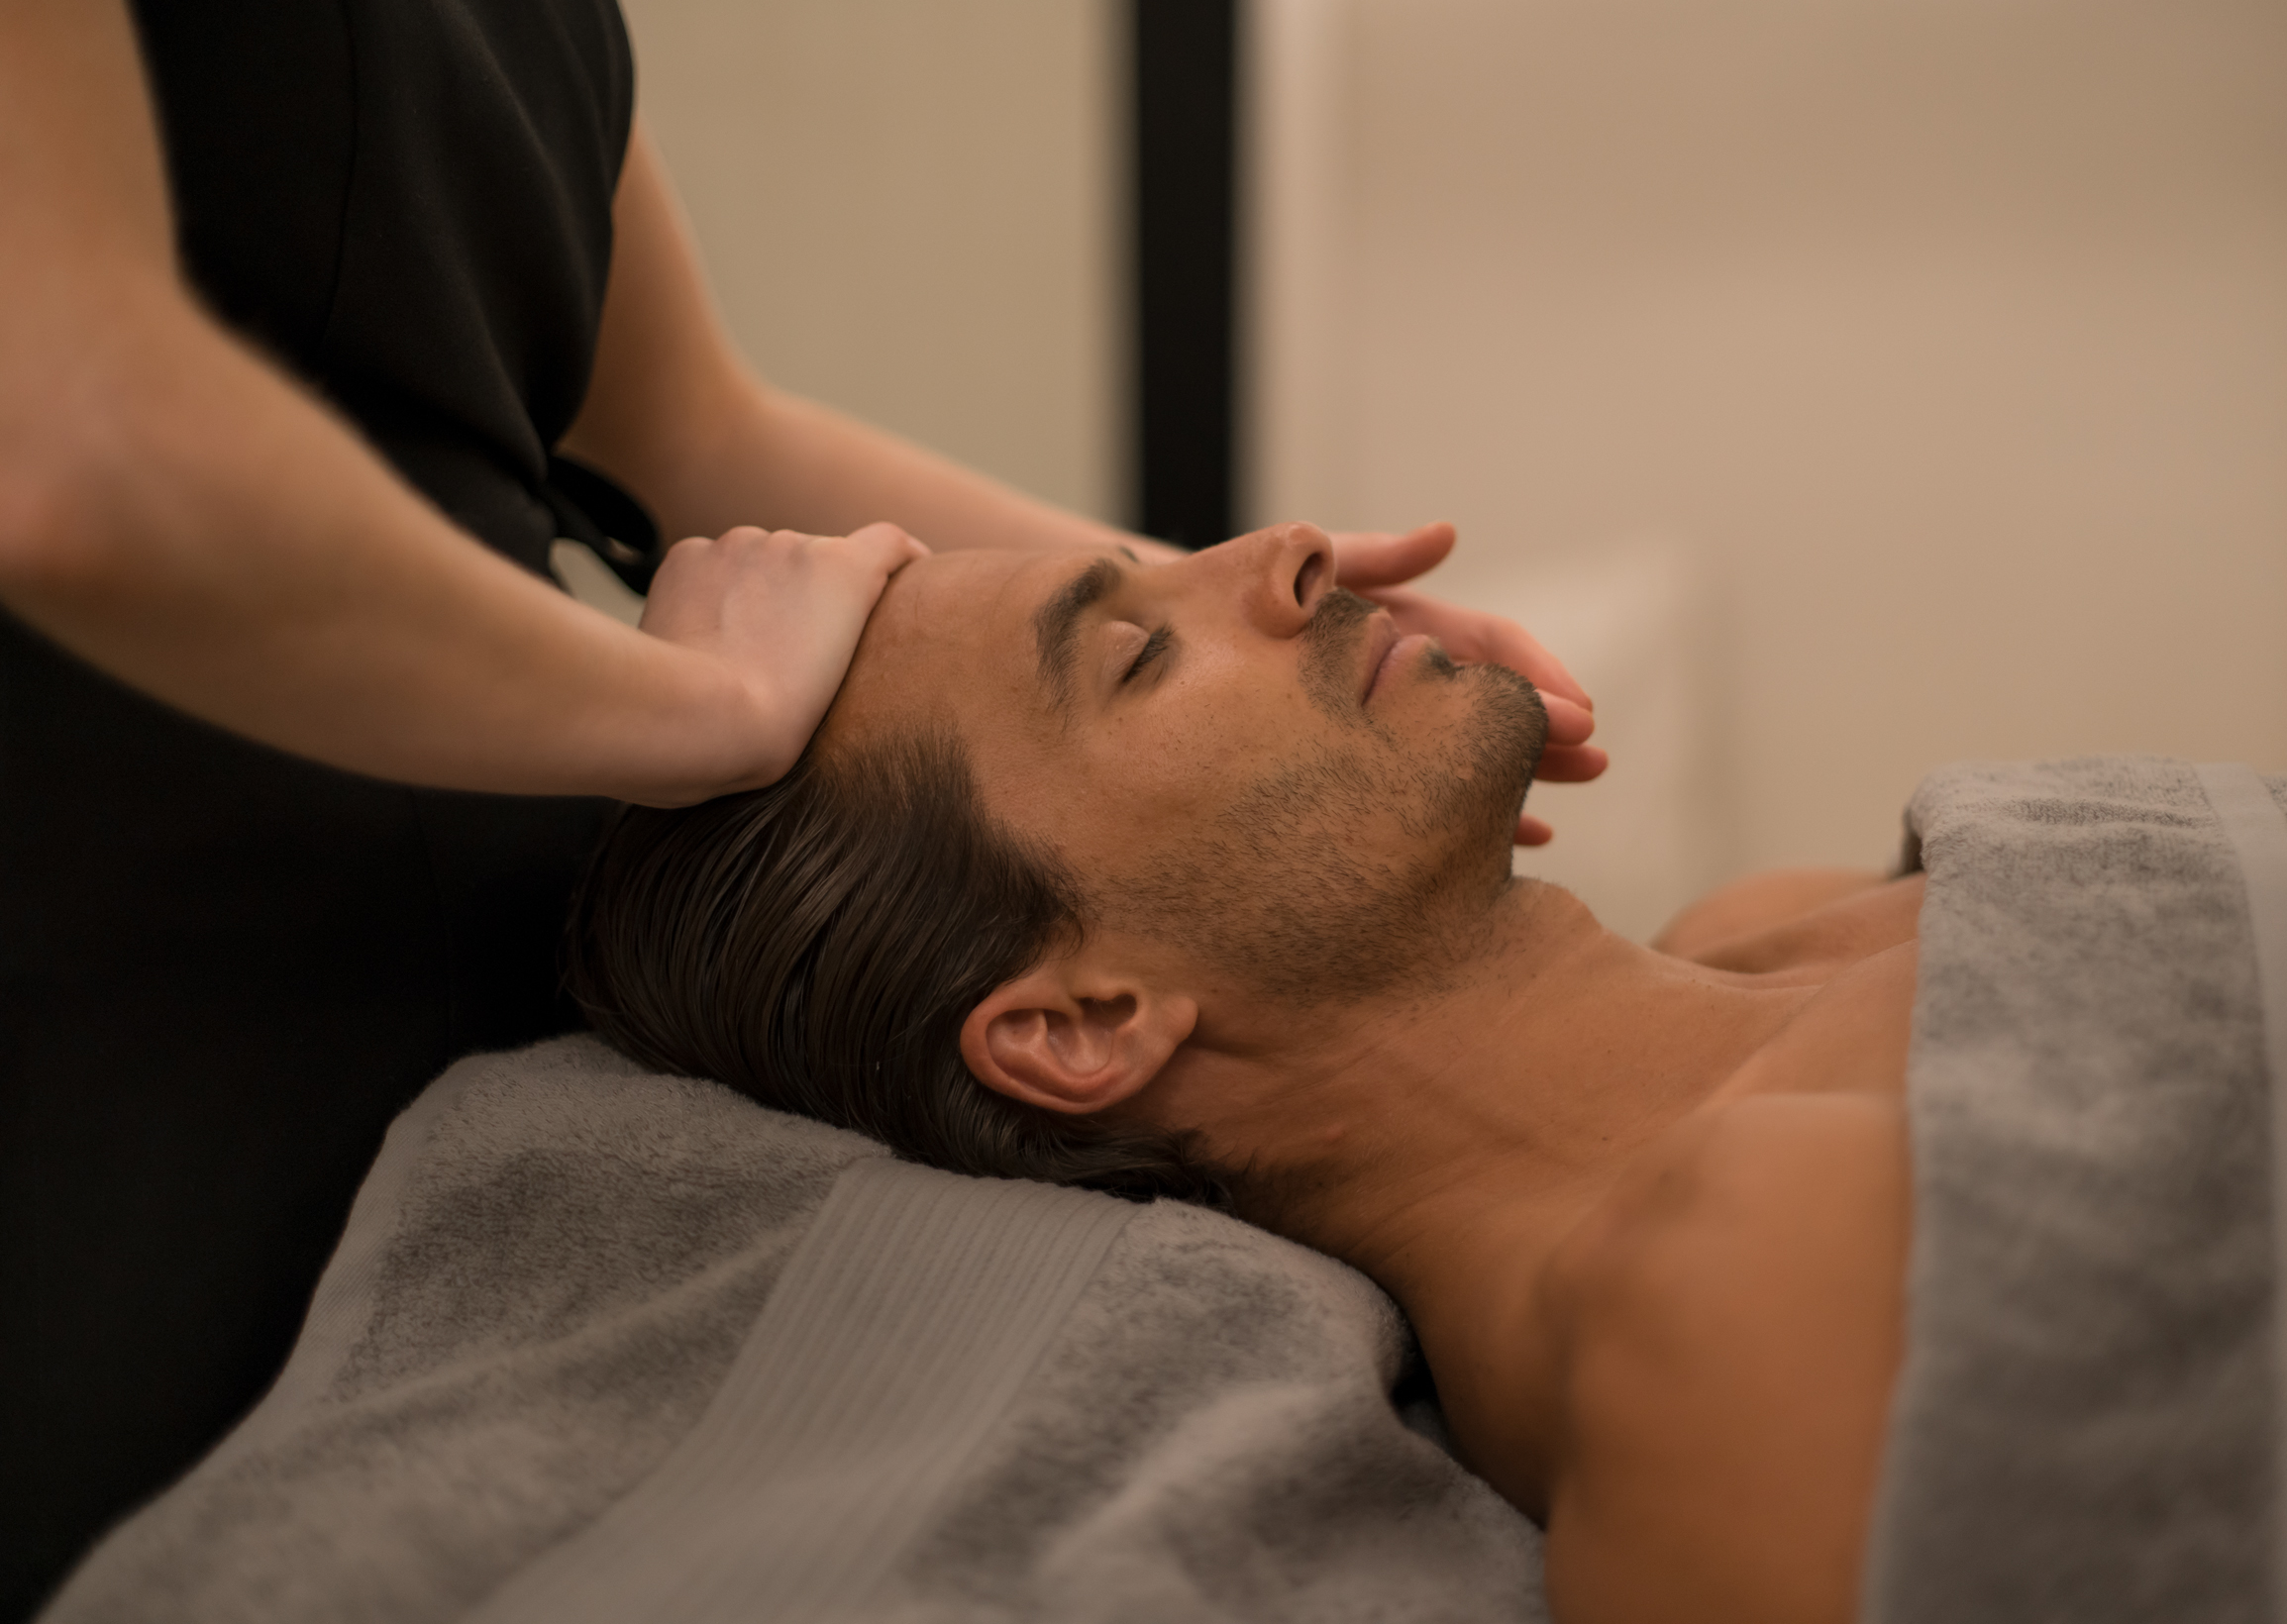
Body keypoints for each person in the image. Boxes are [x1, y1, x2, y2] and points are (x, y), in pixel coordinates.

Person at [0, 0, 1600, 1610]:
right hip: (119, 1037)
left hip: (508, 987)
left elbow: (700, 430)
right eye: (1133, 656)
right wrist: (687, 705)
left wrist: (1248, 633)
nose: (1304, 557)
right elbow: (73, 463)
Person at [572, 524, 1917, 1624]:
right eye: (1141, 650)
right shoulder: (1742, 1284)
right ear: (1085, 1024)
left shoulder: (1782, 919)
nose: (1295, 553)